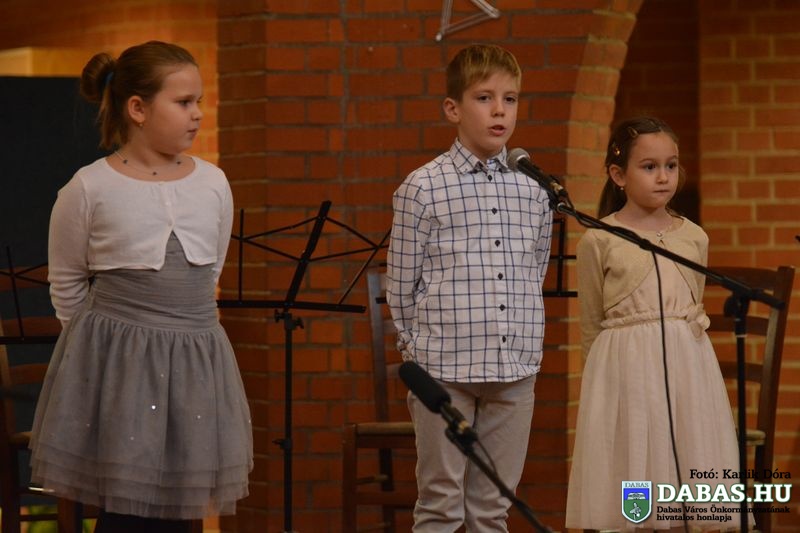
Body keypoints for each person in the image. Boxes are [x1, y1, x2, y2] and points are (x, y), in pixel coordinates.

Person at [29, 41, 253, 533]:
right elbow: (66, 282)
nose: (197, 113)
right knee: (126, 507)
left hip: (194, 360)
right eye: (183, 102)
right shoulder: (90, 187)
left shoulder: (213, 183)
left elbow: (210, 271)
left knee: (184, 502)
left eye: (198, 101)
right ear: (137, 108)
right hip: (120, 365)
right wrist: (100, 352)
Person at [386, 43, 553, 532]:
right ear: (453, 108)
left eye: (510, 99)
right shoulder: (423, 187)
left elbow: (534, 270)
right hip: (445, 371)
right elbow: (401, 286)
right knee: (441, 504)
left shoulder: (534, 190)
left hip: (514, 369)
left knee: (492, 509)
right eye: (484, 98)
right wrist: (419, 350)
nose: (500, 111)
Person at [565, 116, 745, 530]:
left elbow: (692, 302)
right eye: (649, 167)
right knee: (637, 458)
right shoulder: (599, 239)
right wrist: (600, 392)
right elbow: (591, 323)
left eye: (671, 165)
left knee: (685, 448)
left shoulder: (694, 237)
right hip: (626, 368)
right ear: (618, 175)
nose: (663, 177)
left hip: (686, 367)